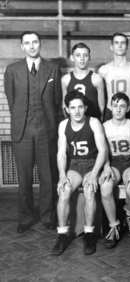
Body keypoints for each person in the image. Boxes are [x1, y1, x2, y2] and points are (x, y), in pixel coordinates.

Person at [4, 31, 62, 233]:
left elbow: (56, 102)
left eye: (35, 42)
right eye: (27, 43)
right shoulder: (12, 70)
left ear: (40, 44)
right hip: (22, 132)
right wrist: (23, 121)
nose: (31, 46)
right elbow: (12, 102)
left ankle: (48, 216)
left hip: (46, 131)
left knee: (48, 177)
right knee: (25, 177)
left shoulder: (53, 69)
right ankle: (25, 217)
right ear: (21, 46)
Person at [51, 90, 108, 255]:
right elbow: (61, 153)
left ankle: (89, 235)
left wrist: (95, 173)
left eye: (80, 107)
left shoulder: (94, 122)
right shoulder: (63, 125)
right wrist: (62, 175)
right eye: (72, 107)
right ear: (67, 109)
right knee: (63, 190)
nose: (76, 111)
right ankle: (62, 235)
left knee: (90, 189)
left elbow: (103, 150)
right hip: (75, 165)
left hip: (92, 163)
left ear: (85, 108)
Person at [99, 93, 130, 249]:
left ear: (128, 108)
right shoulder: (104, 127)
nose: (118, 109)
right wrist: (106, 167)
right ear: (110, 106)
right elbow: (103, 152)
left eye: (122, 106)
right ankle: (114, 226)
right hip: (112, 162)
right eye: (115, 106)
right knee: (105, 186)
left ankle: (129, 216)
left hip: (129, 161)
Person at [98, 32, 130, 122]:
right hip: (111, 110)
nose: (119, 46)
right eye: (116, 43)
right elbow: (101, 96)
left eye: (122, 43)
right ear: (111, 47)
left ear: (127, 47)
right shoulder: (103, 70)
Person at [62, 42, 105, 120]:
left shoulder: (97, 79)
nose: (82, 59)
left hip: (92, 122)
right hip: (74, 123)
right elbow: (64, 105)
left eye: (85, 55)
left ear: (90, 57)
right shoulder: (65, 80)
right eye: (78, 55)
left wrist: (99, 122)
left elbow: (101, 106)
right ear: (72, 58)